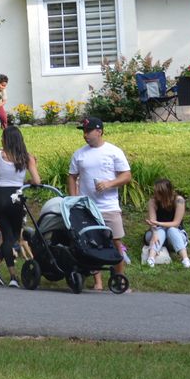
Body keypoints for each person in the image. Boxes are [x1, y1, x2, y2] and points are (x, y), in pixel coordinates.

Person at [66, 116, 130, 289]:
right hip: (87, 207)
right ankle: (98, 282)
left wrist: (109, 184)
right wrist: (74, 199)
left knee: (116, 242)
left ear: (99, 131)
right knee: (90, 243)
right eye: (83, 131)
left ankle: (119, 280)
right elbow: (72, 177)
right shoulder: (79, 154)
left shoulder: (114, 151)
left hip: (109, 206)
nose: (85, 135)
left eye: (88, 131)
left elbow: (126, 175)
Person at [0, 126, 40, 287]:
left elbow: (2, 174)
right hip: (15, 197)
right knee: (13, 236)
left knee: (7, 234)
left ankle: (10, 275)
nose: (1, 140)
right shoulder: (27, 158)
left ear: (6, 140)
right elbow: (37, 181)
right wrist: (27, 181)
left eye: (3, 137)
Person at [142, 178, 190, 268]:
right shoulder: (153, 201)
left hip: (175, 236)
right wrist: (155, 232)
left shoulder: (179, 200)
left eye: (157, 192)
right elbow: (153, 223)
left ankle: (185, 260)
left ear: (164, 193)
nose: (154, 194)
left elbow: (176, 224)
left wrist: (158, 223)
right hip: (157, 234)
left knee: (171, 230)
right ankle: (151, 259)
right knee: (160, 231)